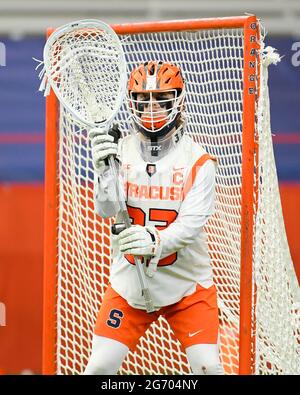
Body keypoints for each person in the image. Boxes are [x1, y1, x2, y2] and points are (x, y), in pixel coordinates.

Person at [83, 61, 224, 375]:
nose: (151, 108)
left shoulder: (198, 162)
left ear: (177, 101)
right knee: (98, 368)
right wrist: (106, 173)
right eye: (143, 100)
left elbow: (189, 227)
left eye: (161, 99)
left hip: (186, 285)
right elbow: (106, 210)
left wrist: (154, 239)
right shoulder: (119, 150)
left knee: (208, 368)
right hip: (129, 283)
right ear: (132, 103)